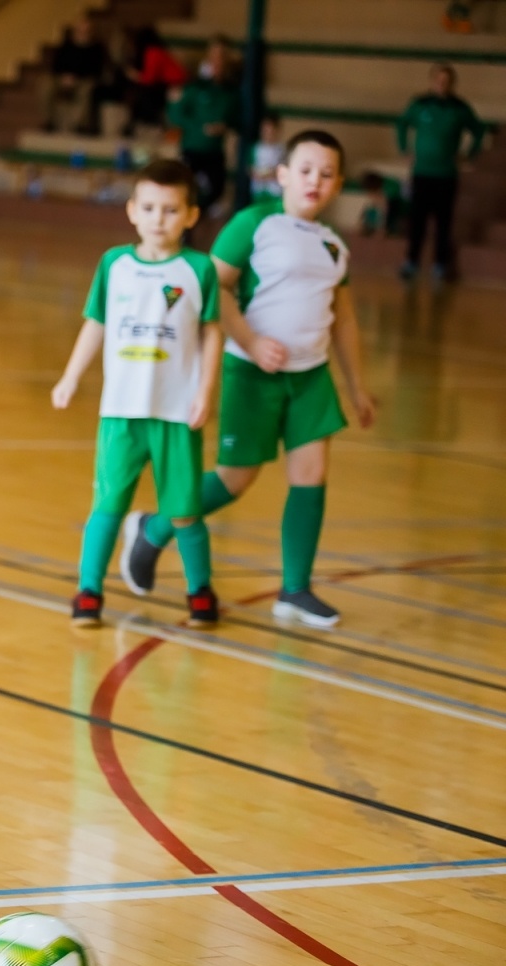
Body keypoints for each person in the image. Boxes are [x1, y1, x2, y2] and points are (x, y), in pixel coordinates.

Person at [120, 131, 377, 628]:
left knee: (311, 476)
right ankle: (153, 527)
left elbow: (343, 320)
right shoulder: (254, 224)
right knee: (236, 479)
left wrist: (358, 386)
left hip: (310, 378)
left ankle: (295, 590)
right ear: (281, 175)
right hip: (250, 373)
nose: (314, 181)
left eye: (326, 174)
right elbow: (213, 287)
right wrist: (253, 341)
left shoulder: (333, 246)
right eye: (305, 170)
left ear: (338, 185)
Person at [51, 159, 223, 628]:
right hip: (121, 414)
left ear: (190, 216)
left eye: (170, 210)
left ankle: (199, 591)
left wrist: (206, 390)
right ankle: (88, 592)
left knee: (185, 512)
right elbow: (96, 323)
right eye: (149, 208)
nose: (158, 219)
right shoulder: (114, 265)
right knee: (107, 506)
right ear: (131, 211)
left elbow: (212, 334)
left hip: (175, 413)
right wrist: (70, 376)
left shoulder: (198, 269)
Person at [397, 63, 486, 281]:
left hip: (446, 174)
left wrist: (469, 154)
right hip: (422, 173)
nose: (442, 84)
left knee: (443, 223)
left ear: (452, 84)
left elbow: (478, 130)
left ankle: (439, 265)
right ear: (432, 81)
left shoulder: (460, 108)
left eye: (446, 81)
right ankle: (411, 262)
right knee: (417, 221)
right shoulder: (420, 104)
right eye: (438, 80)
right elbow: (402, 124)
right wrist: (404, 149)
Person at [168, 37, 240, 212]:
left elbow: (236, 119)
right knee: (186, 188)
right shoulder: (194, 87)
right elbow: (175, 115)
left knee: (217, 189)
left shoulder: (232, 91)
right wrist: (200, 127)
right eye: (215, 55)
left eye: (222, 56)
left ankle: (196, 215)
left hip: (215, 151)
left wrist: (224, 127)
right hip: (193, 149)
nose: (218, 61)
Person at [42, 19, 108, 134]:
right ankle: (48, 121)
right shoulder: (66, 45)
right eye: (80, 30)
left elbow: (96, 70)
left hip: (84, 80)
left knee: (87, 88)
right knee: (45, 84)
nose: (82, 33)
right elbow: (56, 65)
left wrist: (75, 77)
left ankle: (80, 125)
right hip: (63, 79)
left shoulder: (96, 48)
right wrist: (64, 77)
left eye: (86, 30)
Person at [126, 27, 186, 133]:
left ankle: (142, 124)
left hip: (176, 85)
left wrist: (135, 76)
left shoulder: (153, 52)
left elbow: (149, 80)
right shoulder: (157, 51)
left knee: (143, 94)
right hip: (169, 84)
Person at [249, 111, 285, 201]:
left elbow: (283, 168)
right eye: (265, 131)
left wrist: (271, 174)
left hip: (276, 192)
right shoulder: (255, 148)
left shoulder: (282, 149)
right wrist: (257, 174)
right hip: (258, 191)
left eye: (271, 131)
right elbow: (250, 168)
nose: (268, 134)